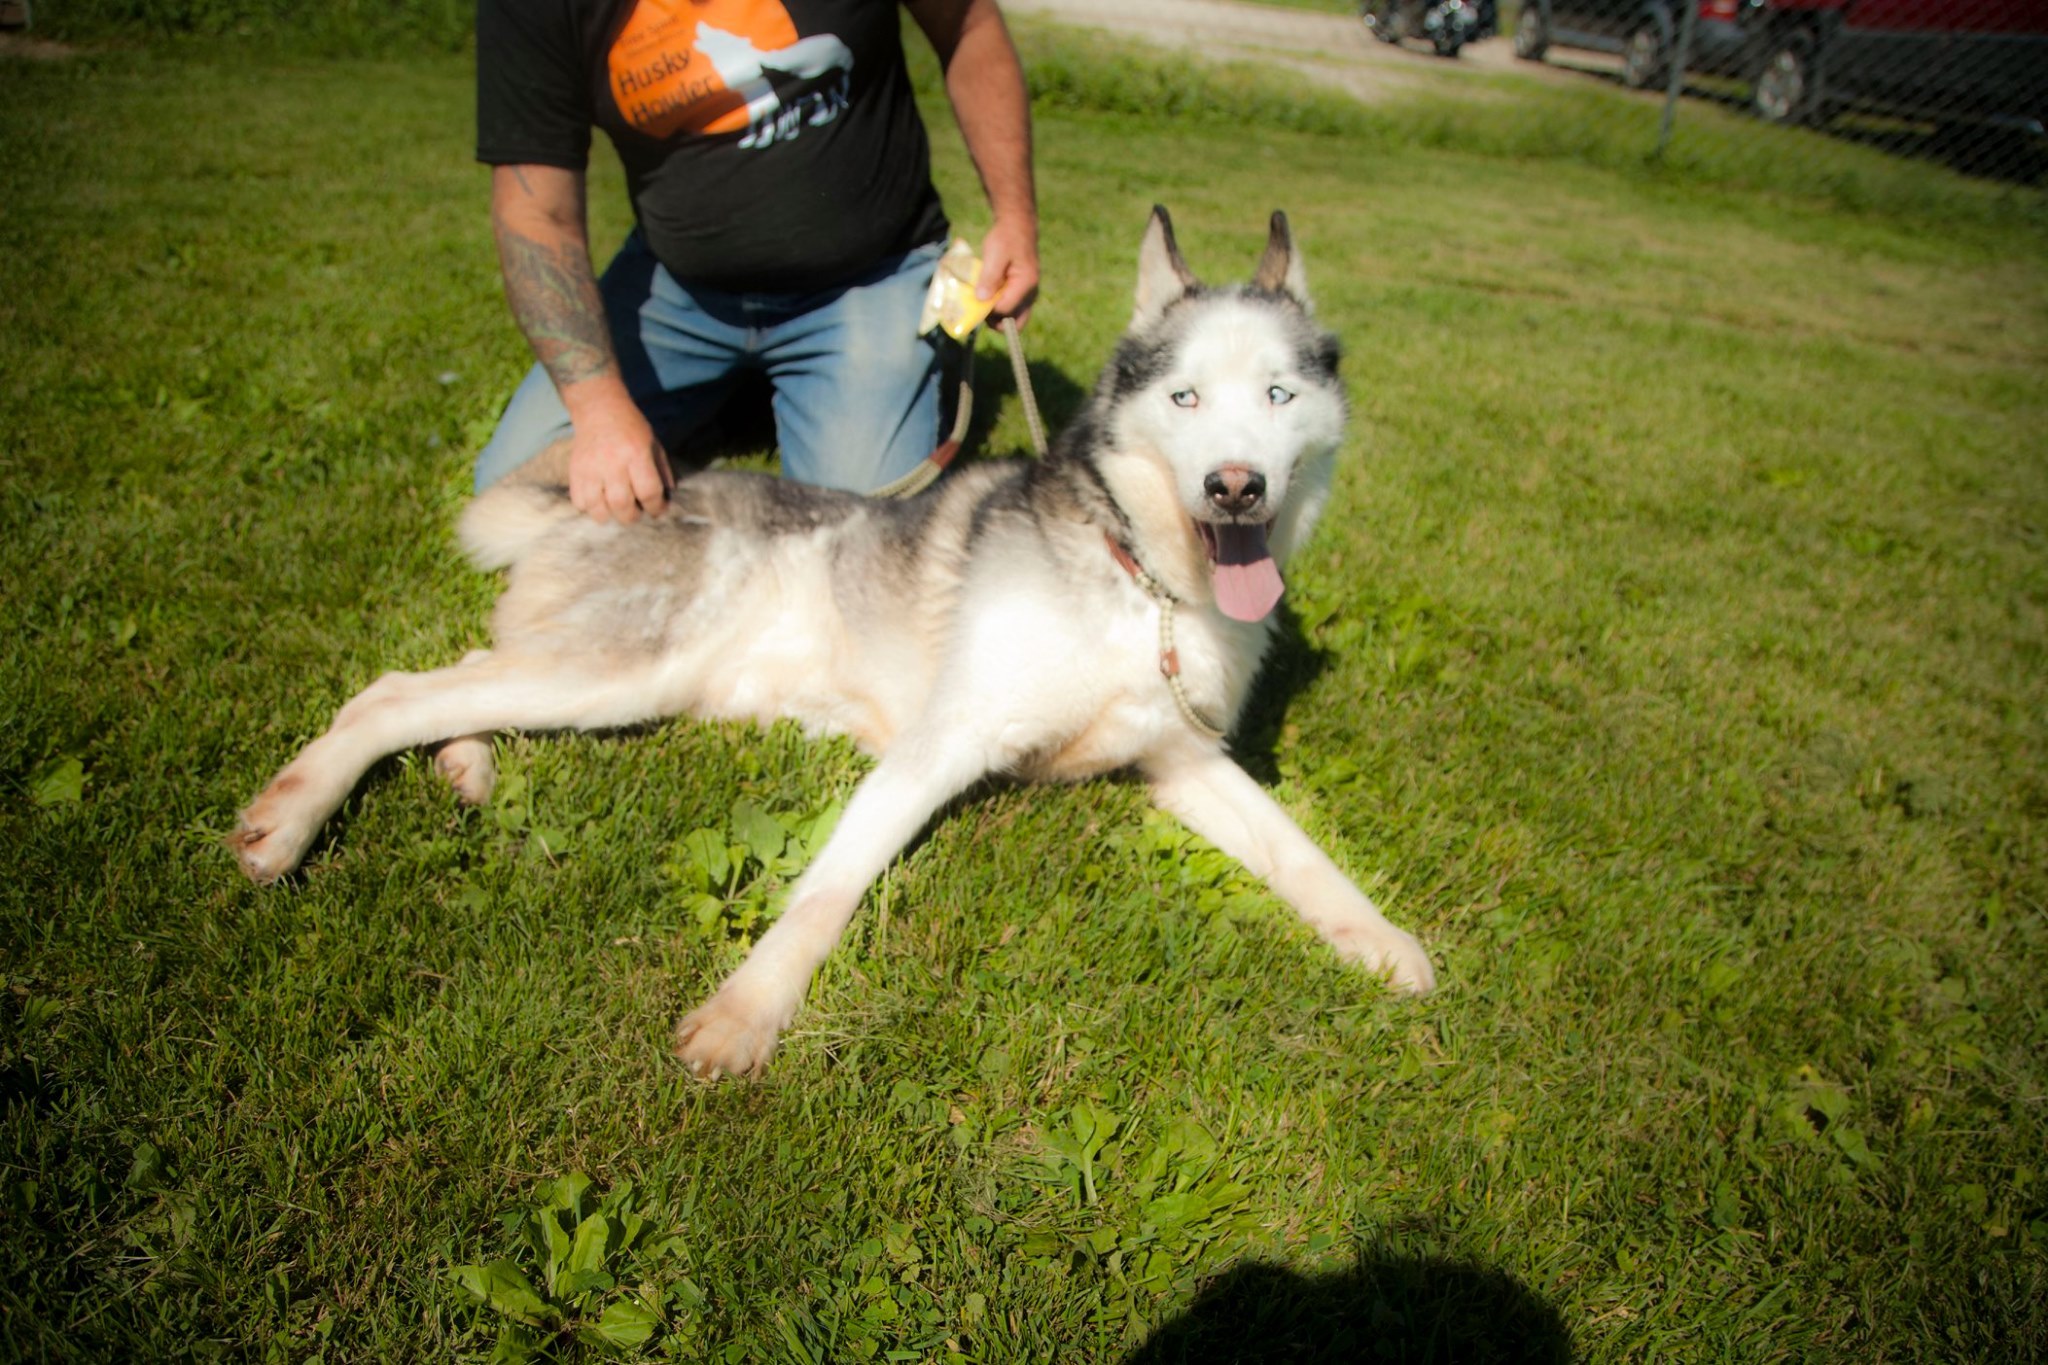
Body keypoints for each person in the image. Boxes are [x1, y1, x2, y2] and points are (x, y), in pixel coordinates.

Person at [474, 0, 1038, 522]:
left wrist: (1015, 220)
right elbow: (536, 215)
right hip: (679, 290)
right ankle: (756, 395)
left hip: (867, 276)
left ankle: (844, 377)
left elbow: (968, 25)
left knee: (856, 530)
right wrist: (598, 411)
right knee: (517, 498)